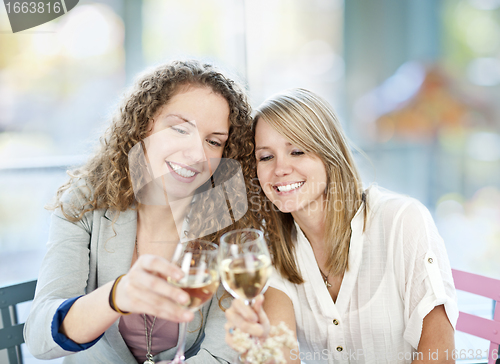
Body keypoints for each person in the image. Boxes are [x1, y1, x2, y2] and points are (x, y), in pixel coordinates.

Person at [24, 60, 260, 363]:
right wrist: (115, 296)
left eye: (213, 142)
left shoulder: (228, 221)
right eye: (179, 129)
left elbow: (222, 353)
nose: (197, 154)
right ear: (143, 126)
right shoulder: (86, 202)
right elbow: (40, 338)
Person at [224, 88, 458, 364]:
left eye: (297, 151)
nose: (280, 169)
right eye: (266, 157)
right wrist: (262, 348)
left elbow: (439, 354)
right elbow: (282, 354)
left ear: (329, 154)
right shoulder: (273, 250)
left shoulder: (402, 221)